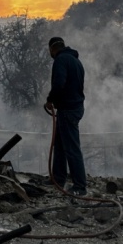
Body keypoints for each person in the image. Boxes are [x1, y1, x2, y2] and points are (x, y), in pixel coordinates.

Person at [44, 36, 87, 196]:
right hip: (74, 107)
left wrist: (50, 100)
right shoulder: (76, 61)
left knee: (71, 148)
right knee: (60, 146)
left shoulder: (60, 60)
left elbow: (59, 83)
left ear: (52, 49)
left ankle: (80, 186)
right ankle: (58, 178)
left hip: (68, 110)